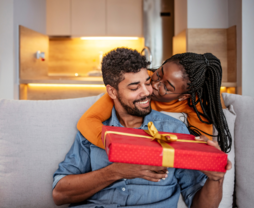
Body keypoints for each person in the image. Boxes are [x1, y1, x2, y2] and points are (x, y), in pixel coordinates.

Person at [52, 48, 231, 208]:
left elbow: (198, 202)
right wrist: (115, 171)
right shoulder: (94, 130)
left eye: (146, 82)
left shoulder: (176, 130)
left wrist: (216, 176)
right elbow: (59, 194)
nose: (148, 91)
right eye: (134, 87)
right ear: (112, 92)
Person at [77, 51, 232, 153]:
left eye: (166, 87)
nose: (153, 85)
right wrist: (120, 146)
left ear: (184, 96)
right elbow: (87, 121)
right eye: (159, 73)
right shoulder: (142, 79)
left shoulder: (196, 104)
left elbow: (202, 149)